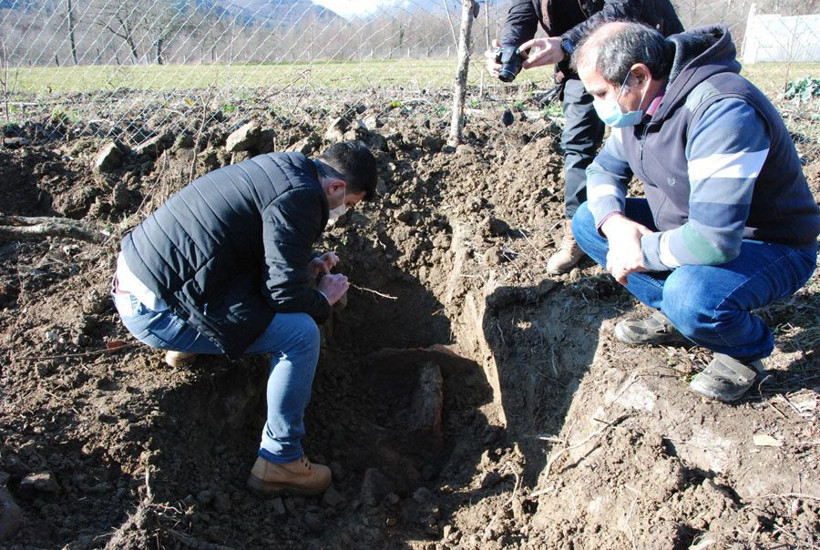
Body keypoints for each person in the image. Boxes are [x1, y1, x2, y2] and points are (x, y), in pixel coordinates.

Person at [570, 21, 820, 401]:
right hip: (690, 226)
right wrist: (616, 225)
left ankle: (743, 353)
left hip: (767, 244)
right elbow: (603, 170)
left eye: (601, 93)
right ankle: (679, 316)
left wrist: (640, 250)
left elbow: (713, 240)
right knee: (590, 220)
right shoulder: (641, 106)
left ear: (639, 76)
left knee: (691, 295)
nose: (598, 104)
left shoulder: (723, 111)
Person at [112, 141, 378, 495]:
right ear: (337, 187)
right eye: (349, 204)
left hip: (145, 278)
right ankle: (280, 460)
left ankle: (189, 346)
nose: (343, 211)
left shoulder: (285, 168)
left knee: (274, 306)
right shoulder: (303, 199)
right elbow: (283, 295)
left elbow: (253, 243)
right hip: (156, 310)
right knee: (301, 335)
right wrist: (321, 299)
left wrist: (304, 264)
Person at [486, 0, 682, 274]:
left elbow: (625, 5)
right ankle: (577, 235)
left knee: (665, 135)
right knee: (579, 145)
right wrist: (509, 49)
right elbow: (522, 12)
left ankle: (685, 224)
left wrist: (567, 42)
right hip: (583, 60)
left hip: (644, 51)